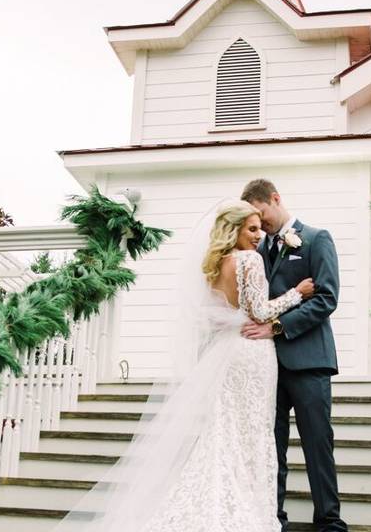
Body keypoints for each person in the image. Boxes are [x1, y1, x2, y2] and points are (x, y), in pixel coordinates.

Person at [56, 200, 314, 531]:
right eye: (251, 229)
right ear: (233, 229)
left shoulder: (216, 264)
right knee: (252, 431)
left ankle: (219, 498)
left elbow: (218, 315)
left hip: (229, 353)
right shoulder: (250, 260)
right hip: (252, 352)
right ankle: (246, 507)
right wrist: (297, 293)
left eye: (260, 229)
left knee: (226, 431)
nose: (259, 236)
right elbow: (260, 313)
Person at [241, 178, 347, 532]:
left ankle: (329, 521)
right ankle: (274, 518)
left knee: (318, 443)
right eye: (253, 219)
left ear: (275, 198)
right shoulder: (255, 251)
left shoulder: (317, 239)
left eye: (262, 213)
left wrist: (279, 327)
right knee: (272, 447)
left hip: (309, 361)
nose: (260, 224)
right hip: (267, 365)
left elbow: (326, 298)